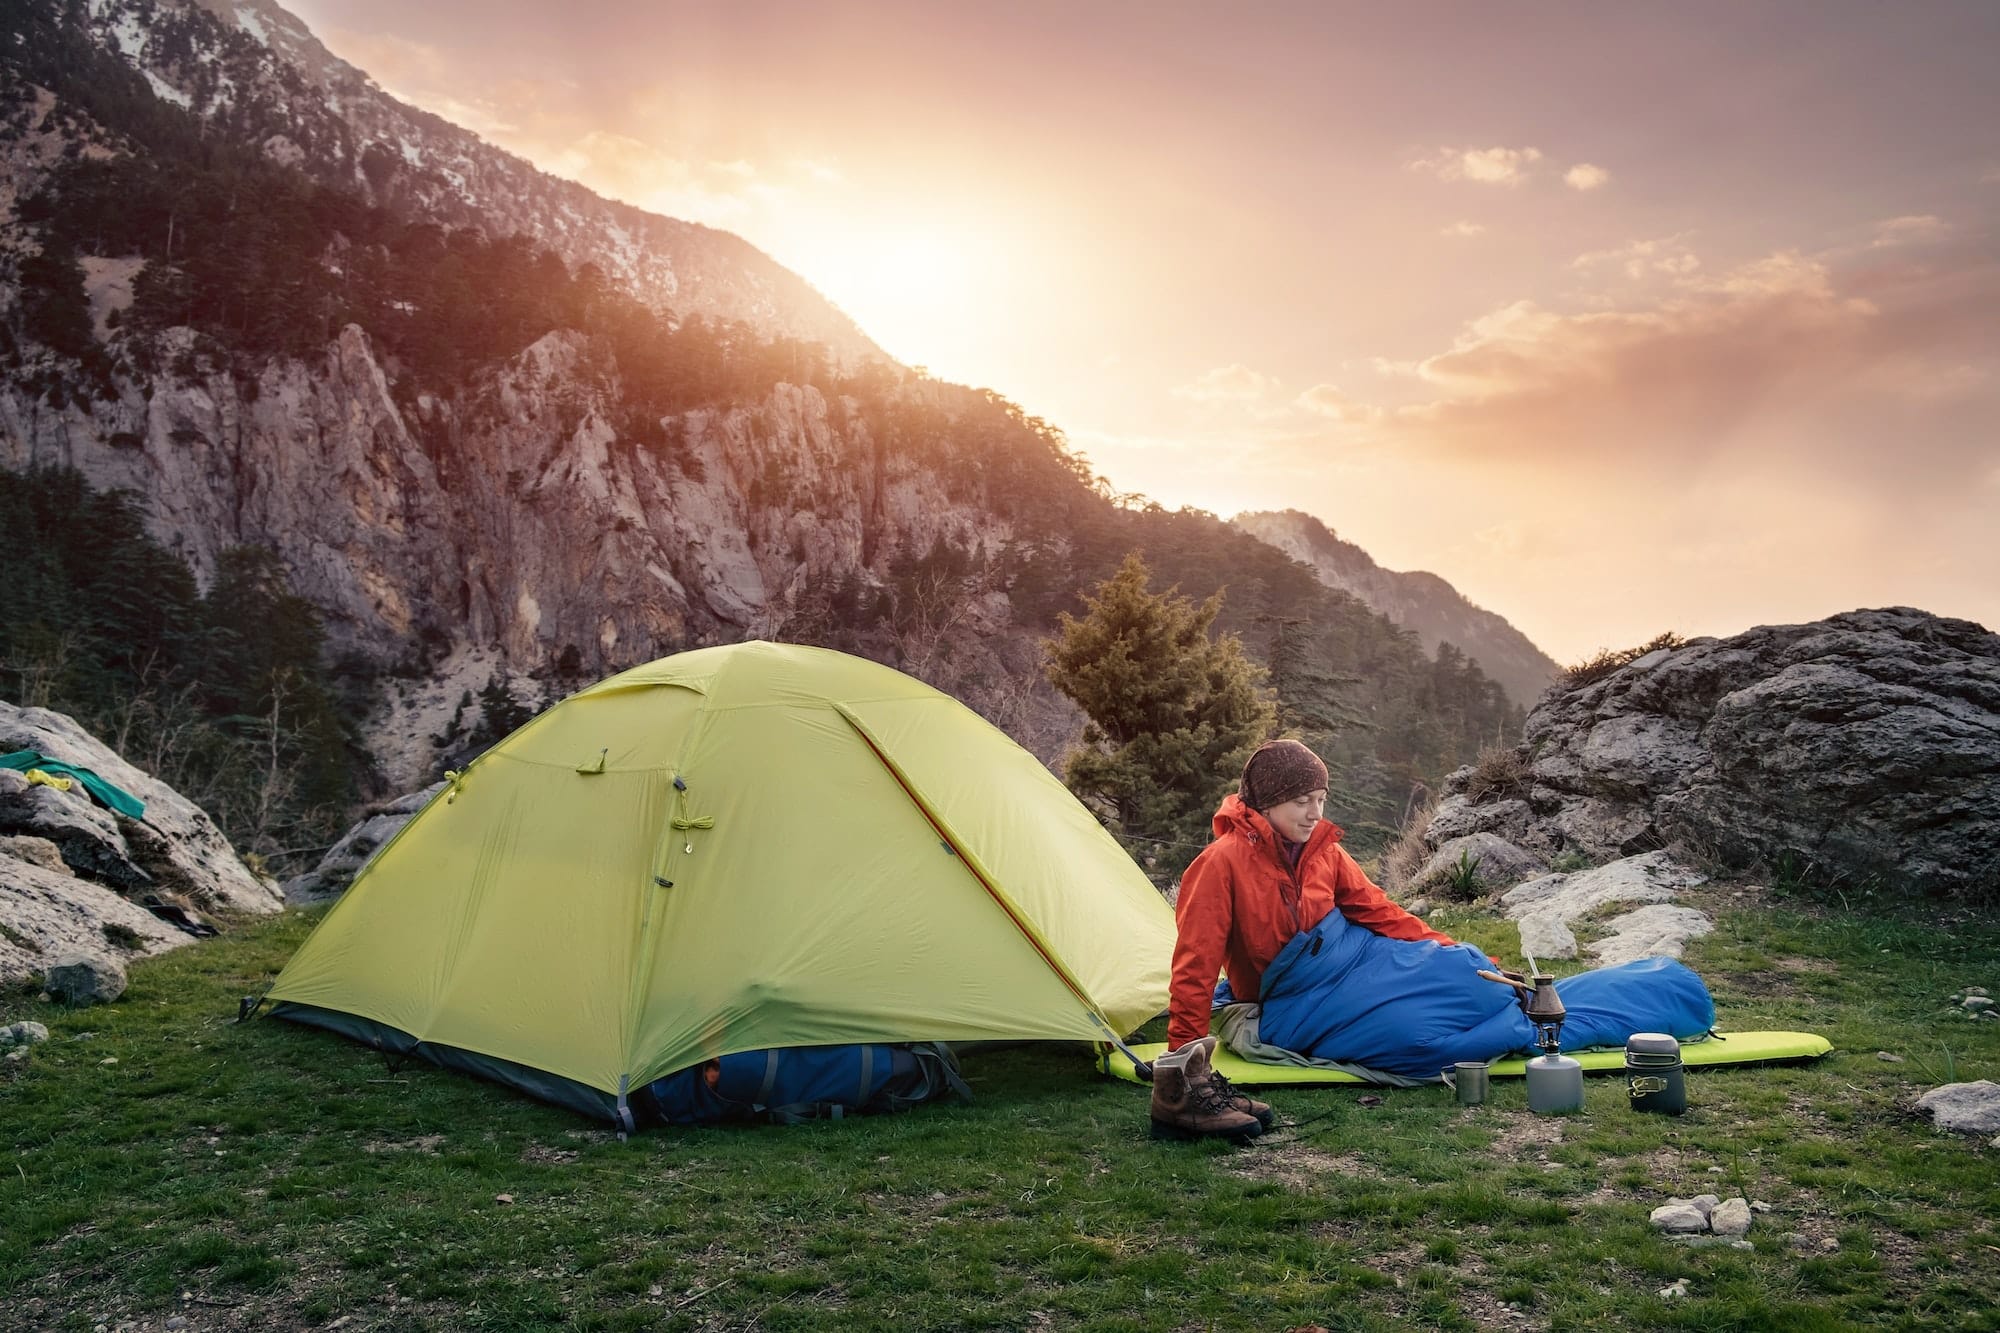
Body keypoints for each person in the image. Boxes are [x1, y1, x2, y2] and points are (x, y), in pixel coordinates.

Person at [1150, 738, 1468, 1142]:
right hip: (1286, 1002)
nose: (1315, 814)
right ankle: (1184, 1101)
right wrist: (1185, 1062)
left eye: (1321, 799)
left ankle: (1506, 992)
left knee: (1458, 970)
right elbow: (1196, 964)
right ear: (1267, 802)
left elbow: (1379, 912)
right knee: (1411, 1032)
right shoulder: (1220, 864)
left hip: (1343, 975)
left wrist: (1447, 947)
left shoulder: (1325, 853)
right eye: (1302, 801)